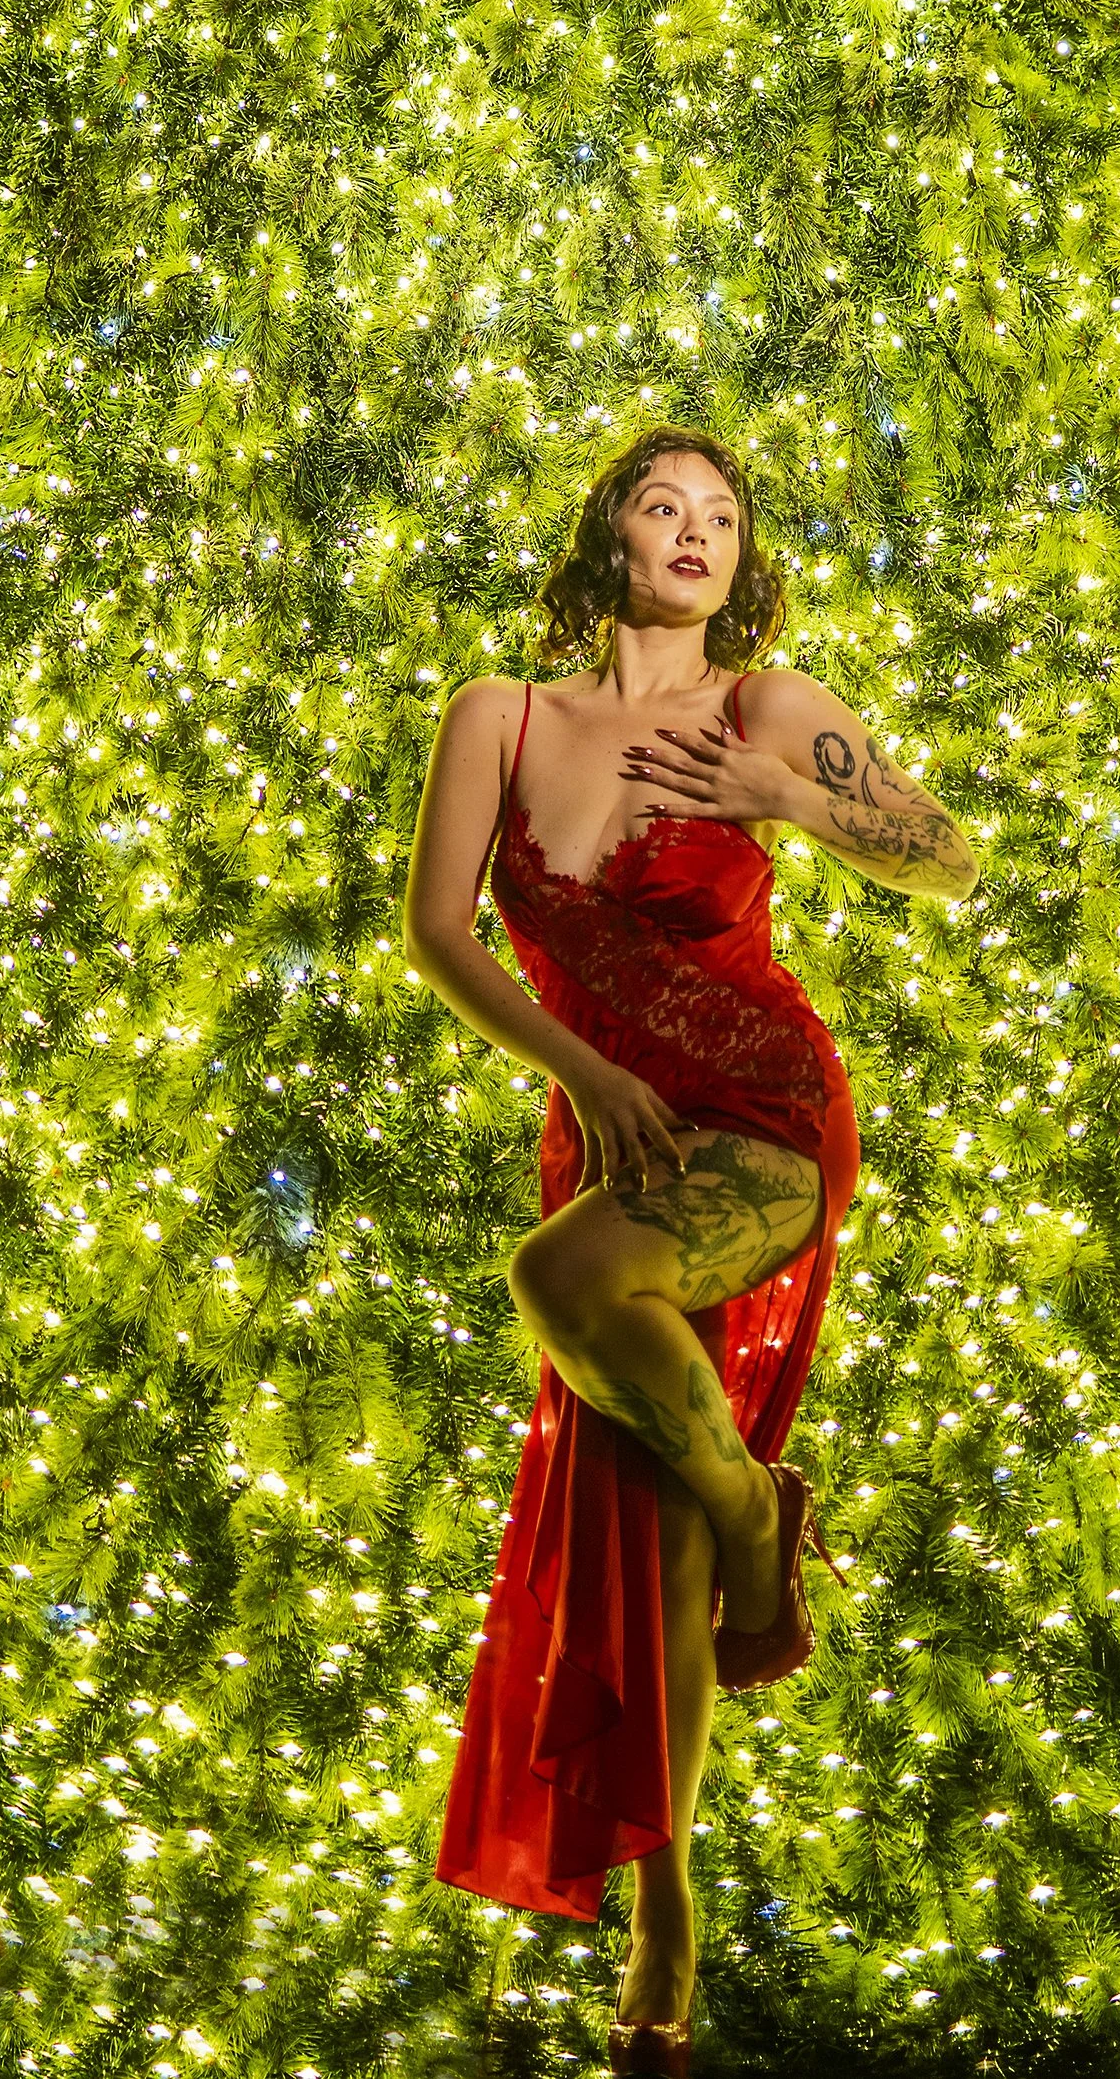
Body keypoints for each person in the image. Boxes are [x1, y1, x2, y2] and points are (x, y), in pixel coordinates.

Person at [404, 427, 980, 2076]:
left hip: (767, 1116)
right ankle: (667, 1907)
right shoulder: (500, 717)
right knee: (635, 1521)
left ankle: (748, 1507)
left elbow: (949, 855)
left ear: (740, 559)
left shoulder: (765, 707)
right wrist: (581, 1075)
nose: (696, 531)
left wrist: (791, 796)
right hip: (618, 1136)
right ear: (610, 534)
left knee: (559, 1280)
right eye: (664, 504)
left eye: (722, 515)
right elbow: (438, 930)